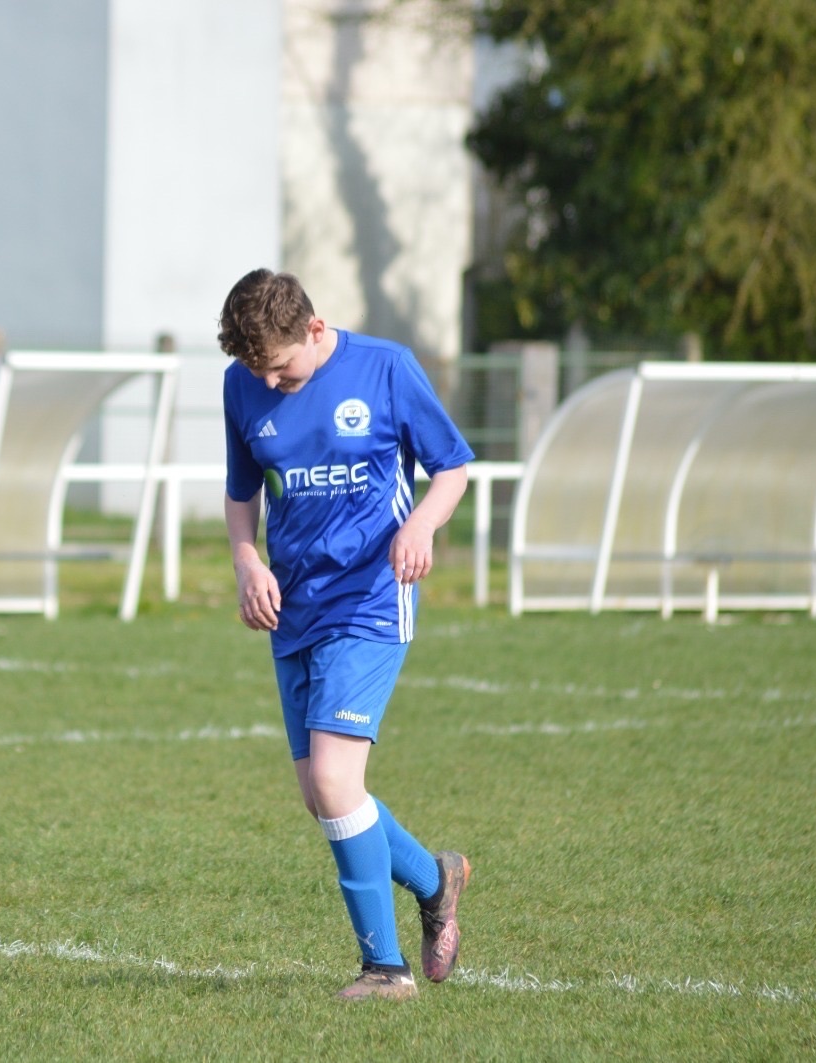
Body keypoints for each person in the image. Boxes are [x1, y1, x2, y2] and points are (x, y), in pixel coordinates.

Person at [217, 268, 474, 1002]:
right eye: (258, 372)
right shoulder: (243, 385)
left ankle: (385, 971)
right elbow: (241, 494)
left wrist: (421, 524)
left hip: (370, 597)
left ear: (316, 328)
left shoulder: (385, 368)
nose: (270, 383)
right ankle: (437, 879)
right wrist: (247, 562)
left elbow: (452, 467)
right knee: (322, 794)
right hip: (292, 606)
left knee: (335, 782)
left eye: (281, 367)